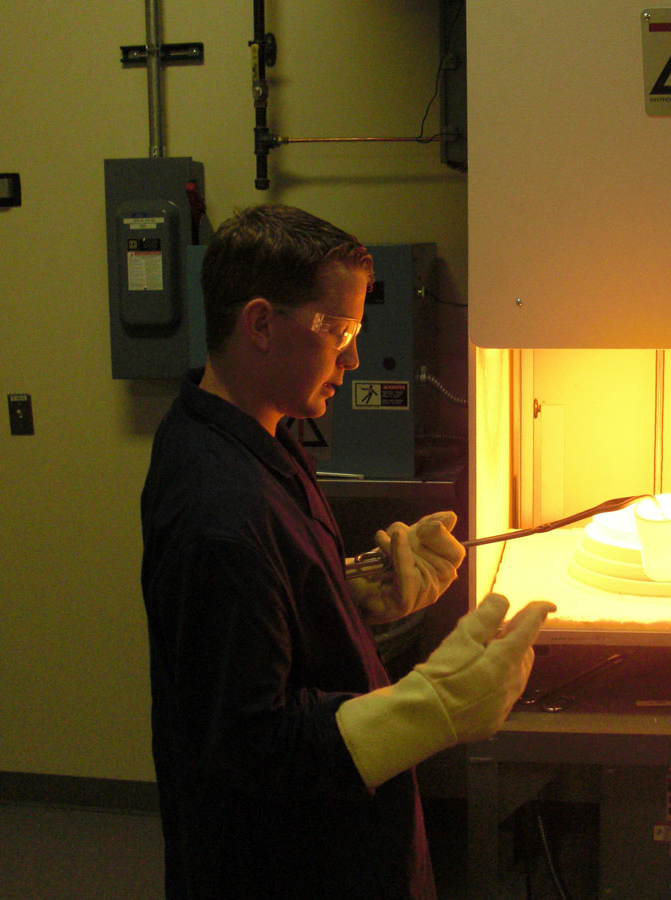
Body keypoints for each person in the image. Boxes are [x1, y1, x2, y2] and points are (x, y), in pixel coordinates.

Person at [140, 203, 554, 900]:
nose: (355, 357)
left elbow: (258, 620)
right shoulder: (218, 511)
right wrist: (432, 707)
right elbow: (253, 745)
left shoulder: (251, 435)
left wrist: (351, 592)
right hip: (284, 867)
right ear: (262, 323)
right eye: (340, 331)